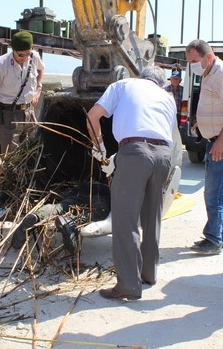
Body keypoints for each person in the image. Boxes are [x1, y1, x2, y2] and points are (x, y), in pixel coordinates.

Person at [87, 66, 176, 300]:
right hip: (163, 156)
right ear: (160, 84)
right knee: (151, 215)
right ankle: (148, 274)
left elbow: (92, 116)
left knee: (125, 220)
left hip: (134, 152)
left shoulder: (123, 85)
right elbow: (161, 131)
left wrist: (100, 148)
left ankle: (128, 285)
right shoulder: (168, 97)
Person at [185, 39, 223, 255]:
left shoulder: (222, 74)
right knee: (218, 191)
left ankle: (213, 240)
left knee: (214, 193)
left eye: (194, 61)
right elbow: (217, 105)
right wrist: (200, 123)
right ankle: (222, 236)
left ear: (208, 57)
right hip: (220, 140)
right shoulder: (210, 73)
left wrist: (221, 140)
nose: (191, 65)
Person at [0, 31, 45, 154]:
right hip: (9, 116)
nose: (25, 58)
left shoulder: (34, 57)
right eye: (21, 55)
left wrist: (38, 89)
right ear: (13, 50)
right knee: (10, 157)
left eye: (28, 54)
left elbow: (41, 69)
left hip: (29, 113)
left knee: (32, 152)